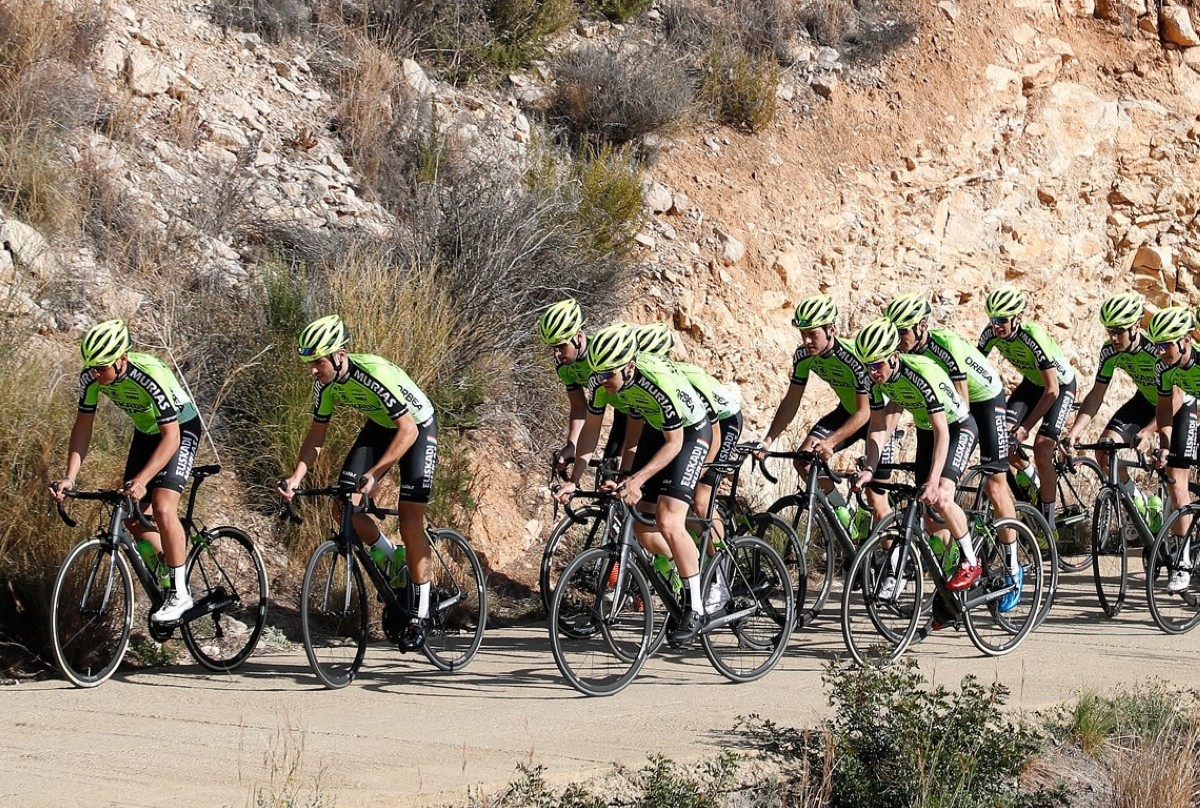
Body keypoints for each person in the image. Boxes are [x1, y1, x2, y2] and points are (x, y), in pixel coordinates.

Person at [277, 315, 439, 650]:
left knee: (410, 520)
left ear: (339, 355)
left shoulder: (373, 373)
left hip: (418, 427)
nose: (312, 370)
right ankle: (391, 556)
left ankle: (421, 613)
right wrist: (296, 477)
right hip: (382, 424)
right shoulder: (325, 383)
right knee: (342, 506)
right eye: (308, 363)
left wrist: (376, 474)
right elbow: (316, 435)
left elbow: (407, 430)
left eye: (317, 362)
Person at [553, 323, 713, 645]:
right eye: (597, 376)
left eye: (607, 376)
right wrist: (574, 480)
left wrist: (638, 478)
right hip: (658, 428)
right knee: (642, 525)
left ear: (628, 366)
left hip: (691, 432)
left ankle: (696, 606)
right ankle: (690, 567)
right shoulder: (604, 380)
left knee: (668, 519)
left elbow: (675, 443)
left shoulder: (656, 383)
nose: (602, 384)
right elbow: (591, 433)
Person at [51, 319, 203, 623]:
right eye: (91, 367)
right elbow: (83, 426)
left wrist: (144, 480)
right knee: (132, 513)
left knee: (161, 506)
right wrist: (70, 476)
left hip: (180, 429)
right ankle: (168, 568)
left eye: (101, 367)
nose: (95, 374)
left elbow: (172, 436)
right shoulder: (91, 378)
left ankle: (180, 592)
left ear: (121, 359)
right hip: (147, 432)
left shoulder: (149, 376)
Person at [852, 318, 993, 599]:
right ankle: (943, 581)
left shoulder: (920, 373)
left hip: (958, 426)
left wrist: (932, 481)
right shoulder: (875, 379)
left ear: (894, 357)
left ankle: (971, 562)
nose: (872, 372)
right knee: (926, 511)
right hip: (927, 429)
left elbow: (944, 431)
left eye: (877, 365)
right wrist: (870, 467)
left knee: (940, 494)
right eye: (867, 366)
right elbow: (879, 426)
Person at [758, 293, 890, 536]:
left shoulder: (854, 359)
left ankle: (892, 568)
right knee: (804, 461)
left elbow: (865, 412)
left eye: (813, 333)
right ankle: (847, 517)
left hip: (876, 418)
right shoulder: (803, 357)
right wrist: (768, 440)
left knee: (877, 501)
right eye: (803, 333)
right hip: (847, 412)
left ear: (831, 329)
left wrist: (831, 441)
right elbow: (791, 401)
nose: (807, 340)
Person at [883, 292, 1017, 530]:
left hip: (983, 398)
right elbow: (897, 401)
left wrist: (959, 449)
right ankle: (946, 559)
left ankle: (1013, 562)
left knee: (995, 485)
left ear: (922, 326)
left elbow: (962, 407)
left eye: (902, 331)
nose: (896, 339)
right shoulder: (901, 353)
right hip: (946, 407)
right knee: (927, 495)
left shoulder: (946, 347)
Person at [1064, 293, 1187, 529]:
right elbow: (1097, 394)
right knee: (1104, 450)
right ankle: (1140, 504)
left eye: (1118, 331)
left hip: (1176, 407)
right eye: (1109, 330)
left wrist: (1150, 431)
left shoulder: (1156, 350)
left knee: (1175, 480)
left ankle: (1183, 548)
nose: (1113, 337)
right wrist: (1074, 432)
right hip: (1144, 401)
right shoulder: (1110, 351)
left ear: (1136, 327)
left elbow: (1176, 399)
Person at [977, 286, 1078, 536]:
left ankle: (1049, 525)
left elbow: (1052, 389)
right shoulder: (990, 334)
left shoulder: (1033, 337)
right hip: (1032, 385)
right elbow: (975, 370)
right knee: (1003, 439)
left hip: (1059, 386)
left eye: (1001, 320)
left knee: (1043, 447)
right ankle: (1032, 478)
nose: (996, 325)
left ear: (1017, 318)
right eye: (992, 319)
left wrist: (1026, 428)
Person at [538, 298, 627, 474]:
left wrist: (626, 452)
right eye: (552, 348)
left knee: (625, 476)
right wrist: (572, 445)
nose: (557, 354)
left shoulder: (604, 355)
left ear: (578, 337)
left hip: (643, 414)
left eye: (561, 346)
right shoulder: (563, 365)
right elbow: (579, 407)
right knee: (608, 479)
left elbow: (636, 407)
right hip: (623, 411)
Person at [1147, 306, 1200, 592]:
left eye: (1166, 344)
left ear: (1185, 341)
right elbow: (1165, 407)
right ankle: (1184, 560)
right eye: (1156, 345)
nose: (1161, 351)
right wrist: (1165, 445)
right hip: (1190, 411)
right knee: (1175, 482)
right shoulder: (1163, 367)